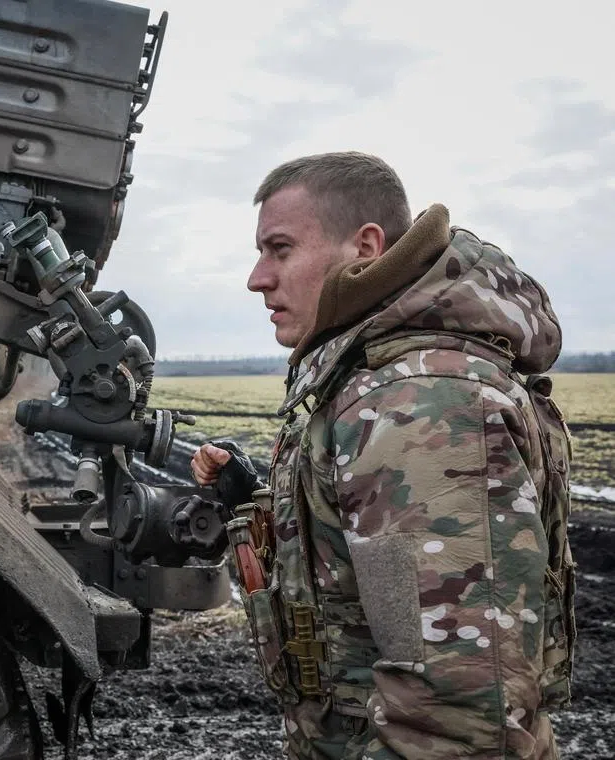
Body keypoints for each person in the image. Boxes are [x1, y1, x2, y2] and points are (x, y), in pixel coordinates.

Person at [191, 152, 576, 759]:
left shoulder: (417, 402)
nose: (257, 277)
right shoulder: (382, 382)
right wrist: (267, 505)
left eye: (280, 248)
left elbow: (456, 712)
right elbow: (378, 563)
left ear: (366, 247)